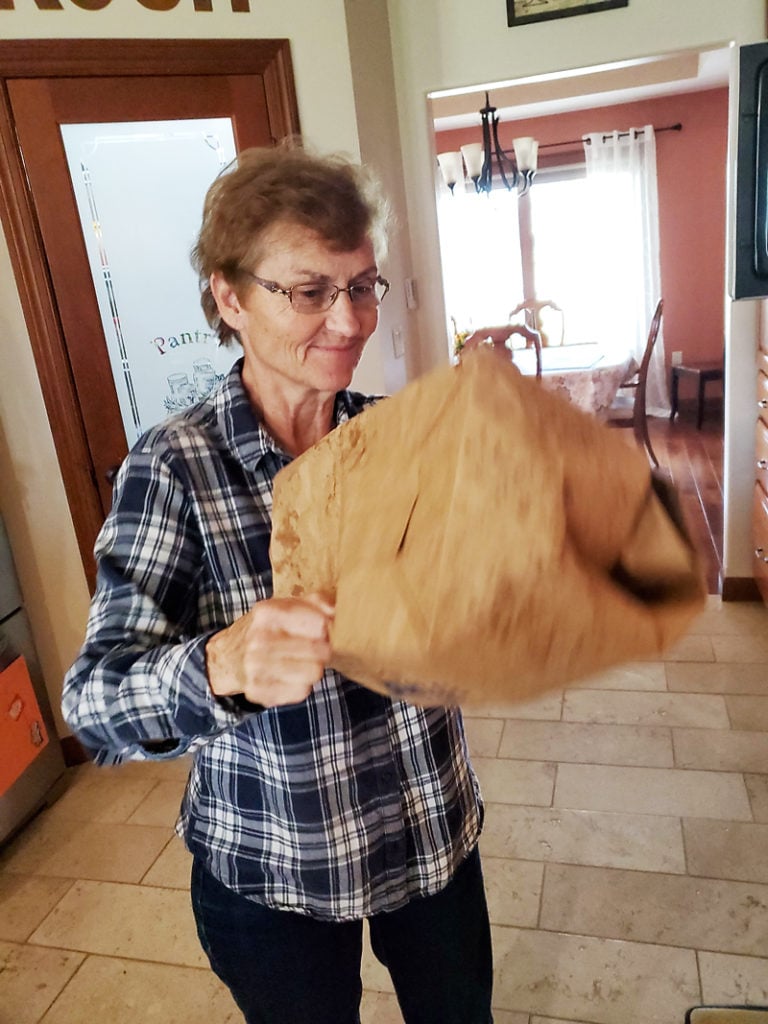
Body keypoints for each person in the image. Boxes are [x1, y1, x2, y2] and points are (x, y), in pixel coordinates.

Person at [62, 144, 493, 1024]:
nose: (348, 321)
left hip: (430, 833)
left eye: (363, 285)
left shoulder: (397, 443)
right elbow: (93, 703)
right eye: (309, 291)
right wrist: (221, 663)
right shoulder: (175, 467)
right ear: (229, 295)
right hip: (275, 868)